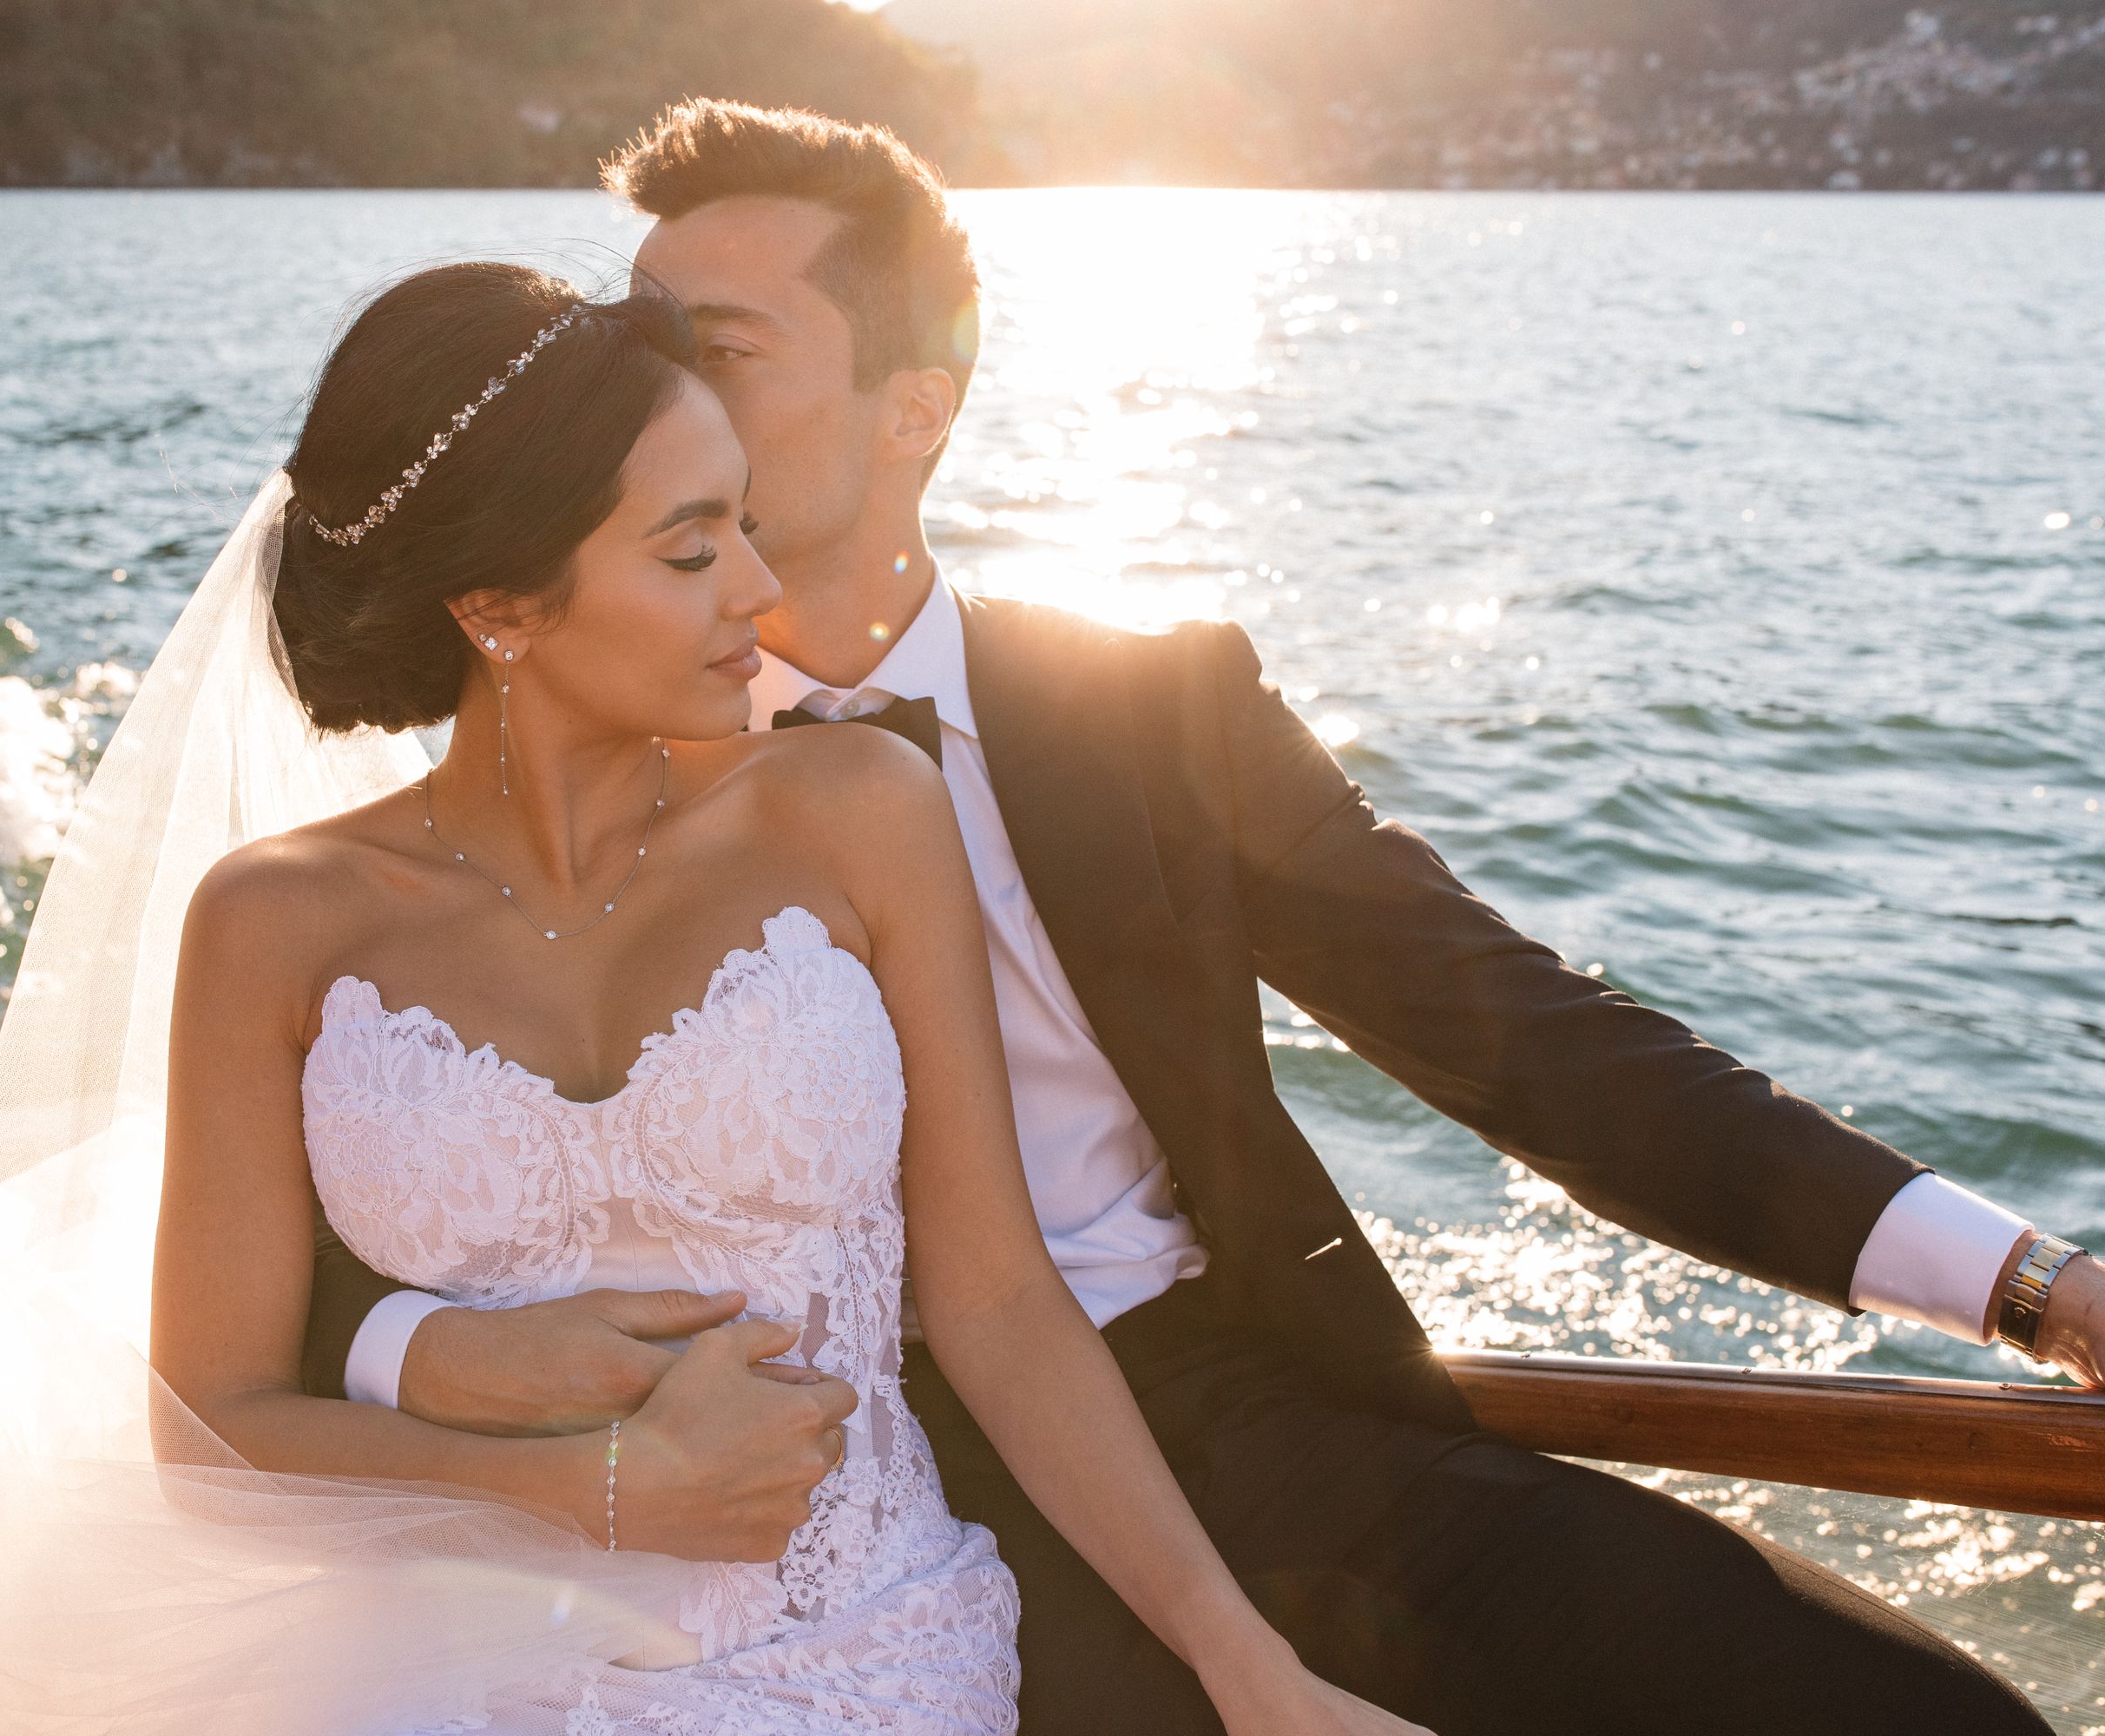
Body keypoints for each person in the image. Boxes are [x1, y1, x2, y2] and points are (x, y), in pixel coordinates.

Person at [299, 101, 2100, 1735]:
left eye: (713, 351)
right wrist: (453, 1358)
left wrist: (2028, 1286)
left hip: (1231, 1404)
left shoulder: (1146, 712)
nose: (645, 401)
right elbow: (370, 1223)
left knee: (1913, 1720)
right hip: (813, 1471)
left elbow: (1535, 1042)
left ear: (916, 404)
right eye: (627, 349)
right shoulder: (575, 755)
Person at [0, 260, 1424, 1733]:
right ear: (499, 608)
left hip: (869, 1639)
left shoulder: (860, 806)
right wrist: (601, 1482)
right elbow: (217, 1413)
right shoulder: (283, 919)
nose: (761, 589)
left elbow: (999, 1302)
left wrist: (1248, 1670)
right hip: (443, 1663)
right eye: (691, 548)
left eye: (746, 519)